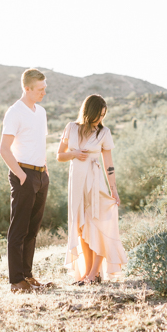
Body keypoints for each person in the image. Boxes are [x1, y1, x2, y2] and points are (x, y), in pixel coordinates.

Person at [57, 94, 127, 284]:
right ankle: (88, 273)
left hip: (96, 184)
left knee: (97, 226)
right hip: (77, 183)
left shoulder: (103, 133)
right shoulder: (71, 128)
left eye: (103, 116)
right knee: (81, 227)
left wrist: (114, 189)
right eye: (98, 115)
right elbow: (59, 156)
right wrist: (74, 153)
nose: (100, 119)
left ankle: (94, 273)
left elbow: (109, 164)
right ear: (89, 112)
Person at [0, 68, 50, 293]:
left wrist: (45, 170)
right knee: (18, 229)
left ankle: (27, 276)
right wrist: (21, 175)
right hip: (24, 175)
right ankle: (16, 280)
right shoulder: (15, 112)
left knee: (33, 229)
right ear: (26, 88)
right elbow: (3, 149)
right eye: (40, 89)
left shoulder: (41, 112)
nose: (43, 92)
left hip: (41, 174)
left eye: (45, 88)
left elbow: (39, 142)